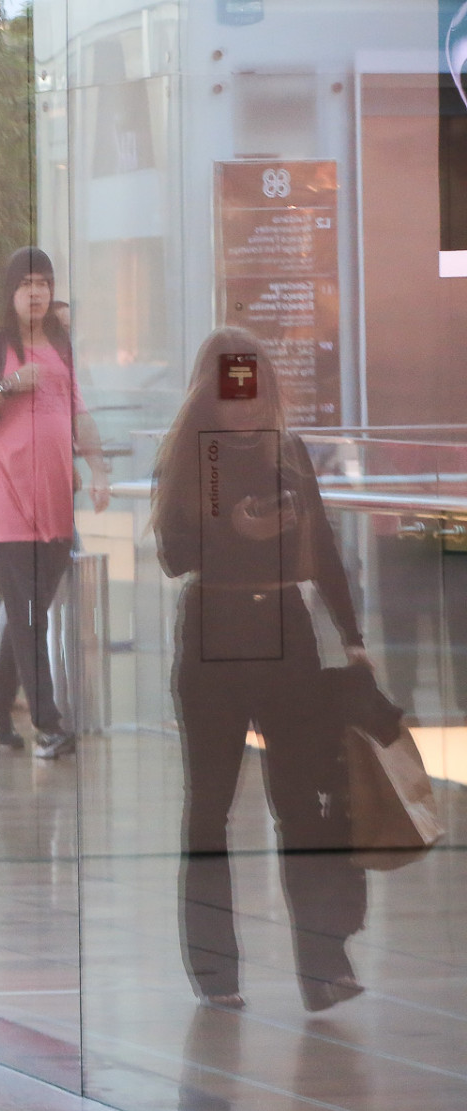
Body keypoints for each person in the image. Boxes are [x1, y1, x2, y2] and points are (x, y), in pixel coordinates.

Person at [153, 326, 371, 1013]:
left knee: (302, 806)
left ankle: (322, 965)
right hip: (214, 636)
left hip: (287, 635)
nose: (246, 403)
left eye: (255, 385)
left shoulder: (290, 452)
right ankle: (217, 972)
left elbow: (325, 551)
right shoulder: (192, 458)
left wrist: (355, 639)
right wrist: (231, 525)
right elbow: (174, 554)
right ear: (209, 391)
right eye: (231, 387)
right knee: (210, 808)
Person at [0, 247, 112, 758]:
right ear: (12, 294)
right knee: (28, 616)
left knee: (33, 613)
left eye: (44, 283)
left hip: (56, 503)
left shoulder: (62, 347)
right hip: (10, 502)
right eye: (27, 284)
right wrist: (9, 386)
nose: (38, 292)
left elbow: (79, 412)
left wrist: (98, 469)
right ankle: (49, 725)